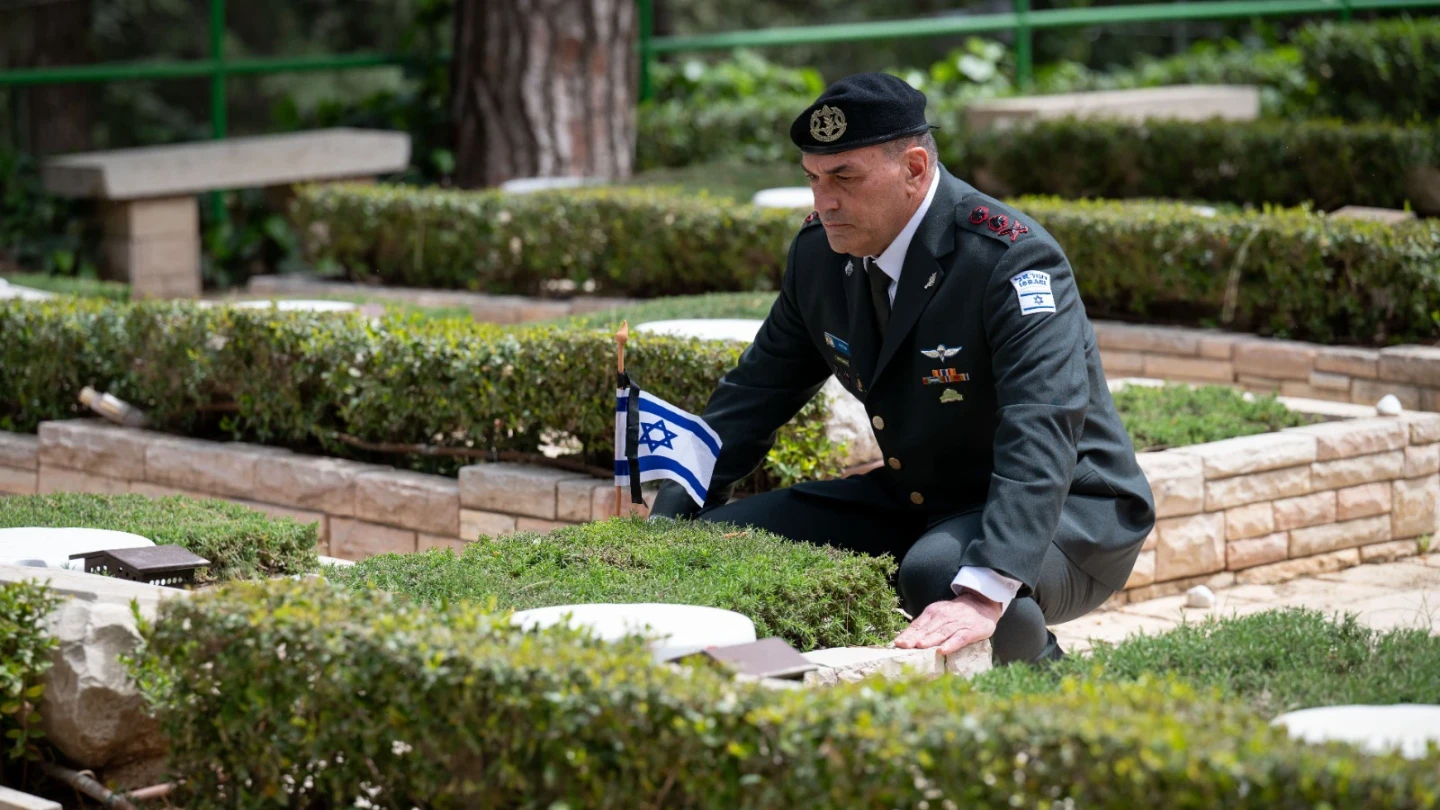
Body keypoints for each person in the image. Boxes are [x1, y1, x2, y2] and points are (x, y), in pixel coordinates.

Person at [647, 72, 1156, 665]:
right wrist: (668, 521)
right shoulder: (819, 256)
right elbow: (752, 395)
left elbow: (1042, 421)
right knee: (719, 544)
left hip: (1070, 509)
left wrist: (986, 588)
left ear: (914, 168)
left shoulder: (1008, 258)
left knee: (943, 574)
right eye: (813, 178)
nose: (823, 201)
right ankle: (785, 686)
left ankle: (1047, 691)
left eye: (844, 178)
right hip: (921, 497)